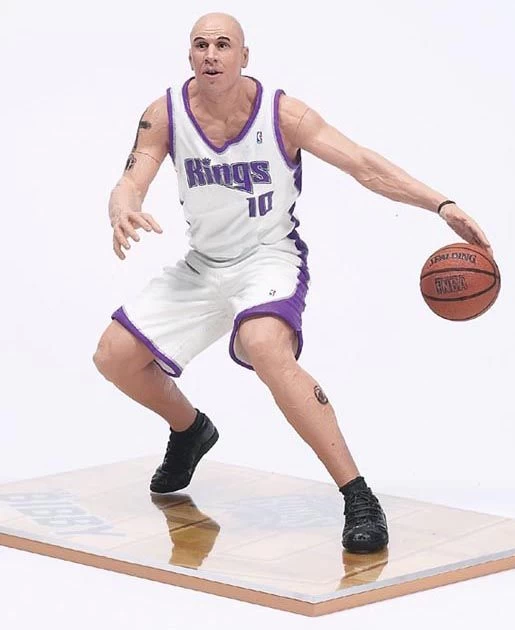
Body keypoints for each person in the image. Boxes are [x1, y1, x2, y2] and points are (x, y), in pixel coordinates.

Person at [93, 12, 493, 555]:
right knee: (113, 357)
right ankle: (190, 430)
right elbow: (131, 179)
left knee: (264, 345)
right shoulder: (163, 114)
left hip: (268, 258)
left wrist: (441, 205)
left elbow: (364, 165)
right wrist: (122, 208)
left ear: (244, 56)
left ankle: (358, 496)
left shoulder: (283, 114)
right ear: (189, 56)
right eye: (201, 45)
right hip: (204, 264)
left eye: (223, 45)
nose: (211, 54)